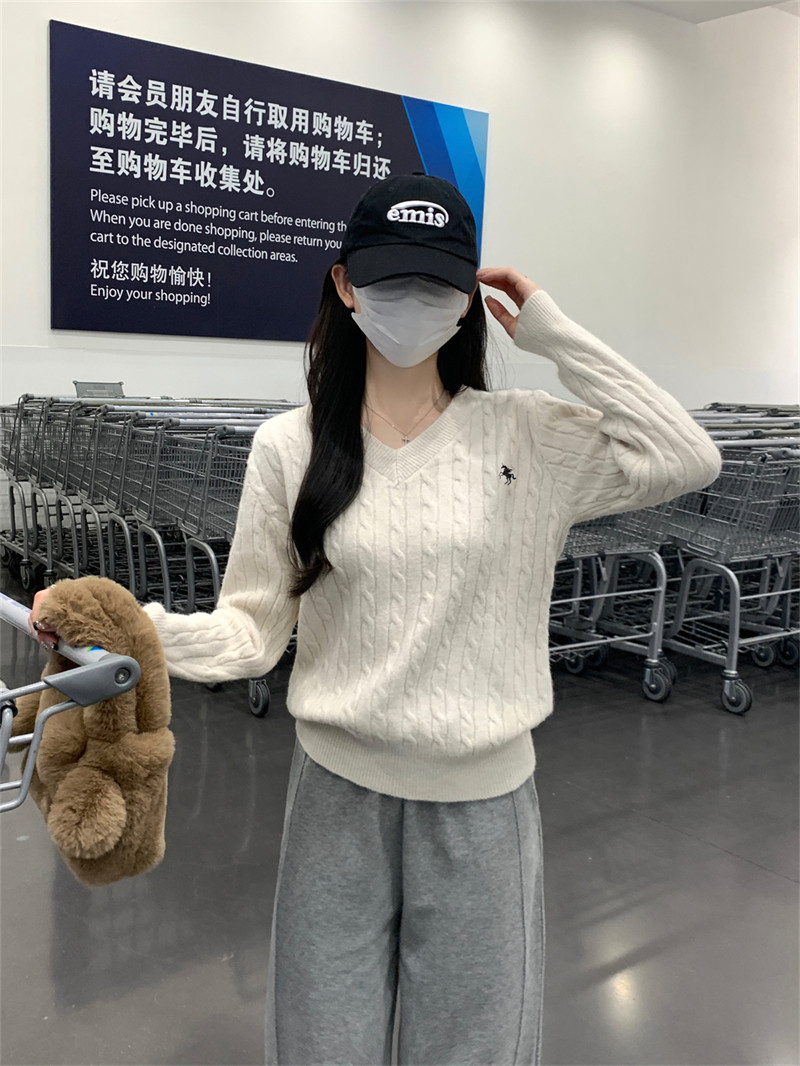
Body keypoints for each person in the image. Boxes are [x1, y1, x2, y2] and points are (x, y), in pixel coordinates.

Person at [29, 173, 722, 1065]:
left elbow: (687, 455)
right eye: (391, 279)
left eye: (438, 283)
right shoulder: (289, 446)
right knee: (322, 1042)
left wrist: (551, 332)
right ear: (346, 285)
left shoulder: (529, 435)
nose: (412, 301)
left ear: (468, 298)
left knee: (474, 1049)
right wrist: (126, 632)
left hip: (484, 805)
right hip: (337, 798)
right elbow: (251, 632)